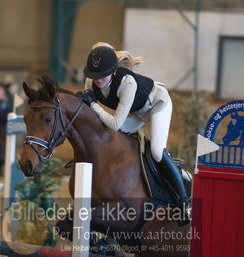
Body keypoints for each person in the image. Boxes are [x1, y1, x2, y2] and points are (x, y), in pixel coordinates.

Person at [77, 42, 189, 221]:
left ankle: (184, 201)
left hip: (157, 104)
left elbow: (114, 122)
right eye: (94, 75)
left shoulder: (127, 83)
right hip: (136, 112)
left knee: (157, 151)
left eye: (103, 75)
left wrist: (93, 104)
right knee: (111, 138)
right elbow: (94, 117)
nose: (98, 80)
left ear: (113, 71)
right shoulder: (91, 81)